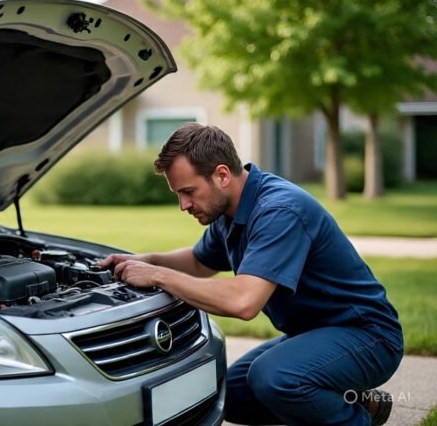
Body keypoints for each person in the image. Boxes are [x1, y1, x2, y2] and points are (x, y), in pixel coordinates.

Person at [100, 123, 403, 426]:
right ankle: (350, 401)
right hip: (314, 335)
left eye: (188, 192)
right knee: (227, 396)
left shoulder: (279, 210)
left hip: (368, 336)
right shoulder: (228, 211)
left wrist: (158, 276)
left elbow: (243, 302)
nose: (184, 205)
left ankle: (351, 418)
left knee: (274, 378)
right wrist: (147, 260)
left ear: (221, 175)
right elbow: (198, 262)